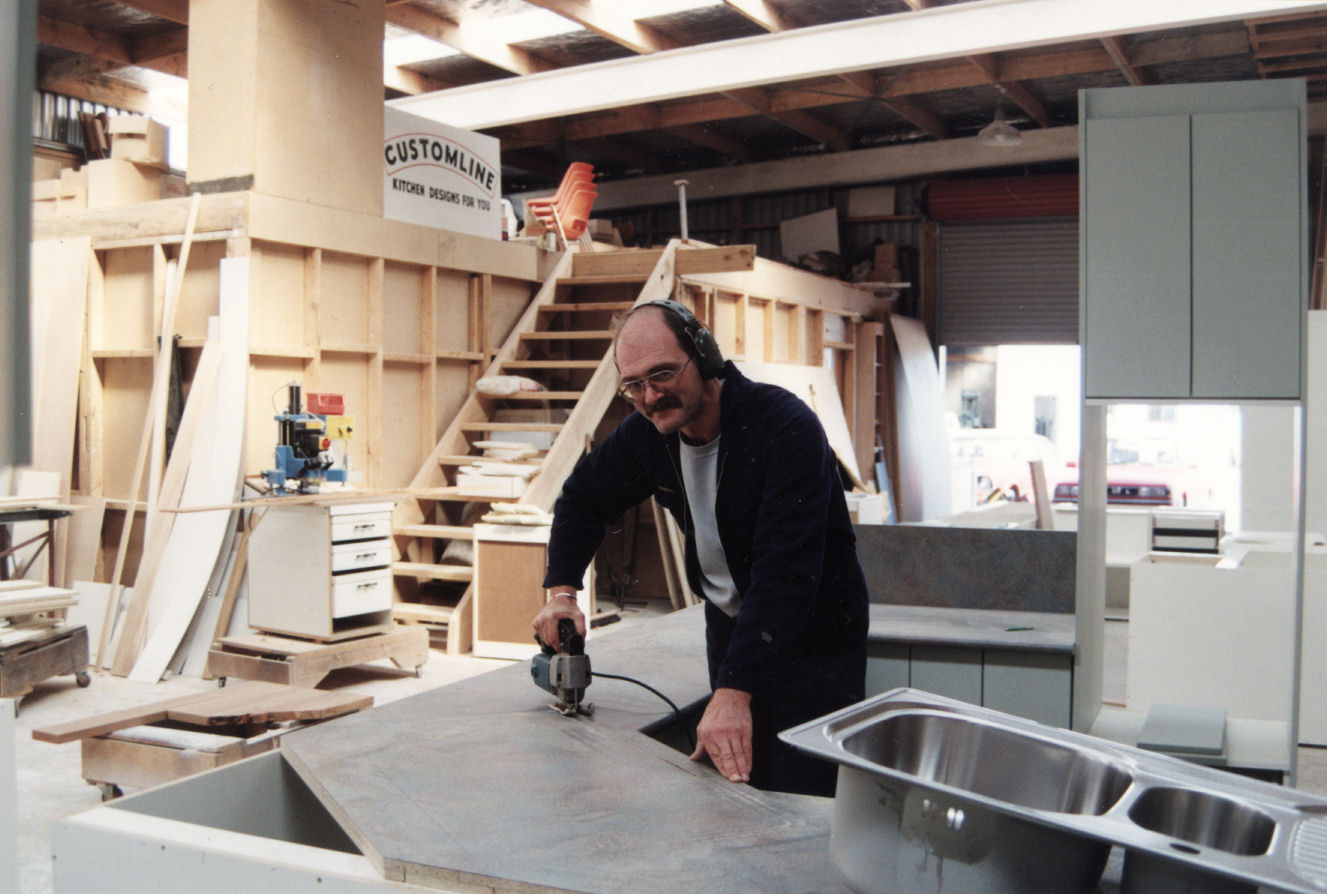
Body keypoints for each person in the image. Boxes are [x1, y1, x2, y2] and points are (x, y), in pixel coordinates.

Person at [532, 299, 868, 797]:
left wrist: (735, 690)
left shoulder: (783, 426)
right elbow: (582, 499)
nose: (650, 396)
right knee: (740, 793)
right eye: (634, 385)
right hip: (732, 630)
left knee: (804, 799)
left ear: (704, 353)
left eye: (663, 373)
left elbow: (787, 575)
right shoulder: (651, 435)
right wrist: (562, 592)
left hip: (813, 641)